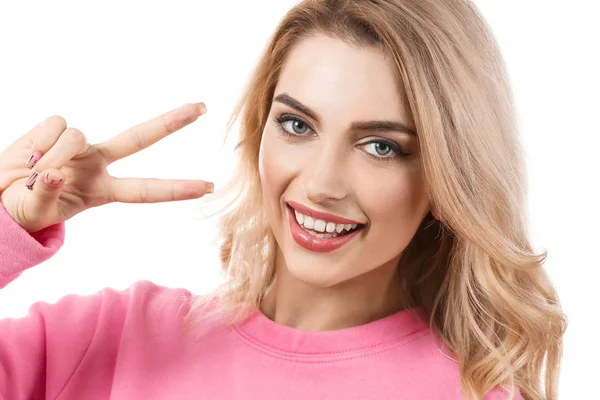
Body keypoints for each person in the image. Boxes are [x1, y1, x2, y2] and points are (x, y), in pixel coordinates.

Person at [0, 0, 566, 399]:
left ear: (448, 178)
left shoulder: (472, 393)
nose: (322, 182)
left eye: (380, 146)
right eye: (298, 125)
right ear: (259, 131)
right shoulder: (110, 339)